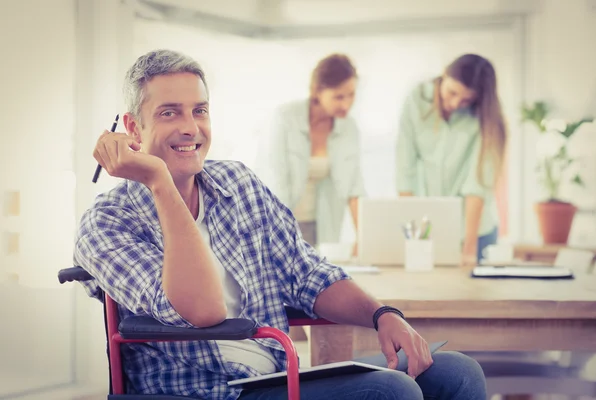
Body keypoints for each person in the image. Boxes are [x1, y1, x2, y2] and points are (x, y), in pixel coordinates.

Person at [74, 49, 486, 400]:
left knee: (457, 373)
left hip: (274, 375)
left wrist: (383, 315)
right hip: (208, 389)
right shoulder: (107, 224)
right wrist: (160, 181)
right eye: (169, 113)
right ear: (132, 129)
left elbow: (306, 274)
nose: (190, 127)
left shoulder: (238, 183)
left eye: (199, 110)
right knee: (392, 392)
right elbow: (203, 310)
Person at [395, 53, 507, 264]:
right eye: (452, 92)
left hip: (476, 233)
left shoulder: (486, 117)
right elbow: (405, 169)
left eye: (466, 99)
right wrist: (410, 233)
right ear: (444, 74)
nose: (456, 103)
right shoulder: (416, 100)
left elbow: (477, 185)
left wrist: (469, 248)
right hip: (429, 230)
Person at [259, 54, 364, 251]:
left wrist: (364, 236)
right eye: (339, 97)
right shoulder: (285, 118)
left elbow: (354, 187)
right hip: (280, 226)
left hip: (323, 229)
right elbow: (275, 180)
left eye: (351, 95)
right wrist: (280, 237)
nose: (347, 104)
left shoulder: (349, 128)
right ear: (318, 91)